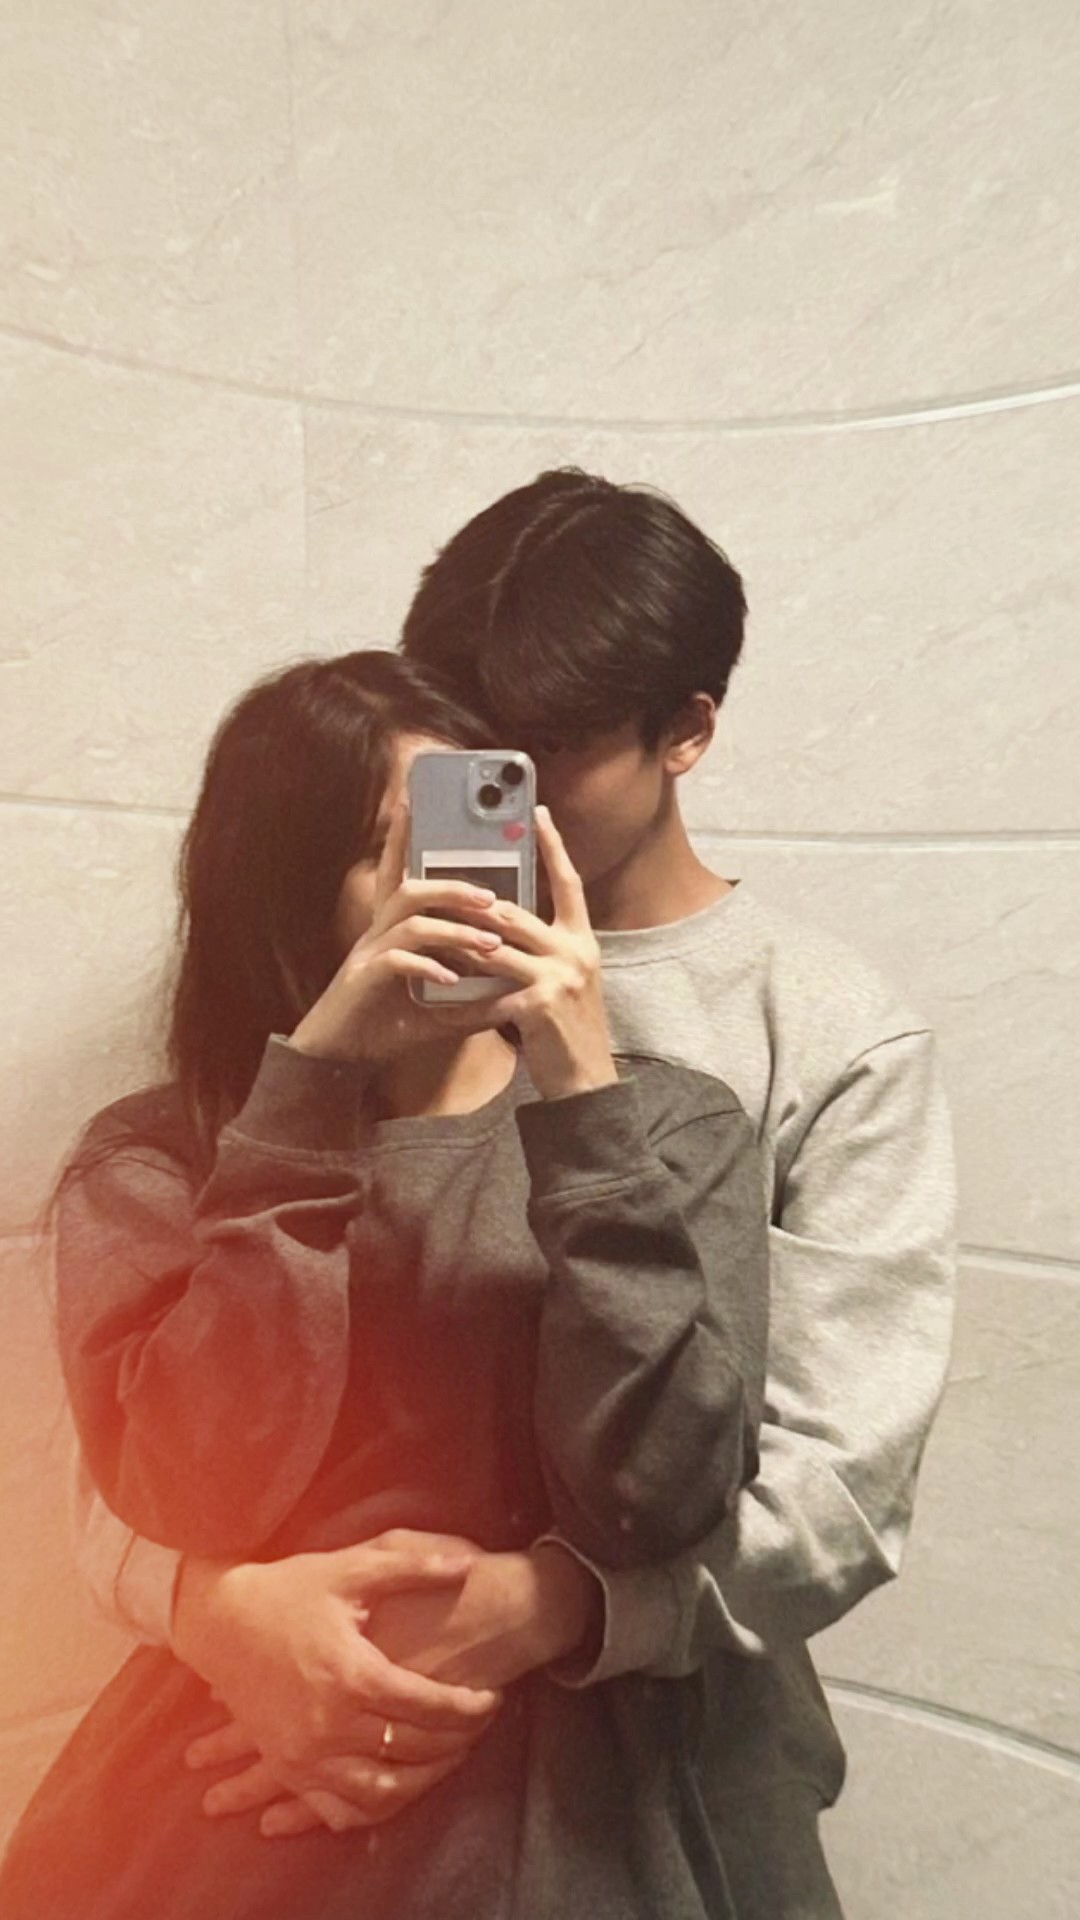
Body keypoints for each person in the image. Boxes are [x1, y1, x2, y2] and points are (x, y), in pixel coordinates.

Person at [63, 471, 955, 1916]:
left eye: (549, 753)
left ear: (686, 732)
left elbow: (836, 1491)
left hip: (652, 1763)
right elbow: (139, 1448)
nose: (496, 807)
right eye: (473, 763)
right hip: (279, 1752)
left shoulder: (818, 1036)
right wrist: (215, 1611)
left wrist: (549, 1606)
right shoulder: (248, 1091)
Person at [0, 648, 770, 1918]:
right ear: (286, 895)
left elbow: (662, 1498)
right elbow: (192, 1492)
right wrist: (304, 1103)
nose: (446, 884)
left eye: (470, 833)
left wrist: (582, 1101)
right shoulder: (158, 1161)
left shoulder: (668, 1129)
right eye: (385, 850)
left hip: (561, 1815)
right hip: (220, 1794)